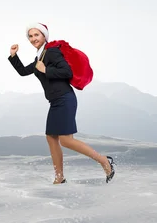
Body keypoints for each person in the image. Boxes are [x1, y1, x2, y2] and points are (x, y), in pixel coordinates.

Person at [7, 22, 115, 184]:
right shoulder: (40, 56)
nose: (33, 38)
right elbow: (23, 72)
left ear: (44, 36)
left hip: (65, 98)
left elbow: (66, 72)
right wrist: (13, 56)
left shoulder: (51, 52)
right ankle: (59, 177)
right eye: (30, 36)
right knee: (51, 137)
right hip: (55, 101)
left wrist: (46, 70)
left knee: (66, 140)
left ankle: (104, 161)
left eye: (37, 35)